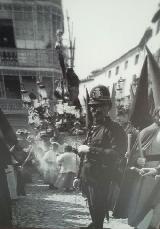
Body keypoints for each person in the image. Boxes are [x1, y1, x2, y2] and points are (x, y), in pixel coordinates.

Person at [73, 85, 127, 229]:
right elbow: (84, 156)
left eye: (100, 106)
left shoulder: (115, 129)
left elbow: (117, 155)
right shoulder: (92, 128)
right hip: (88, 176)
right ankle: (96, 224)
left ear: (108, 107)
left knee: (99, 206)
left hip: (103, 178)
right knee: (92, 205)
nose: (95, 110)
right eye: (92, 106)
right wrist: (79, 176)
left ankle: (97, 225)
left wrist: (90, 149)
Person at [128, 106, 160, 229]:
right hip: (147, 173)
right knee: (144, 205)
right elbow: (133, 155)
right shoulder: (147, 131)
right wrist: (137, 160)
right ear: (156, 115)